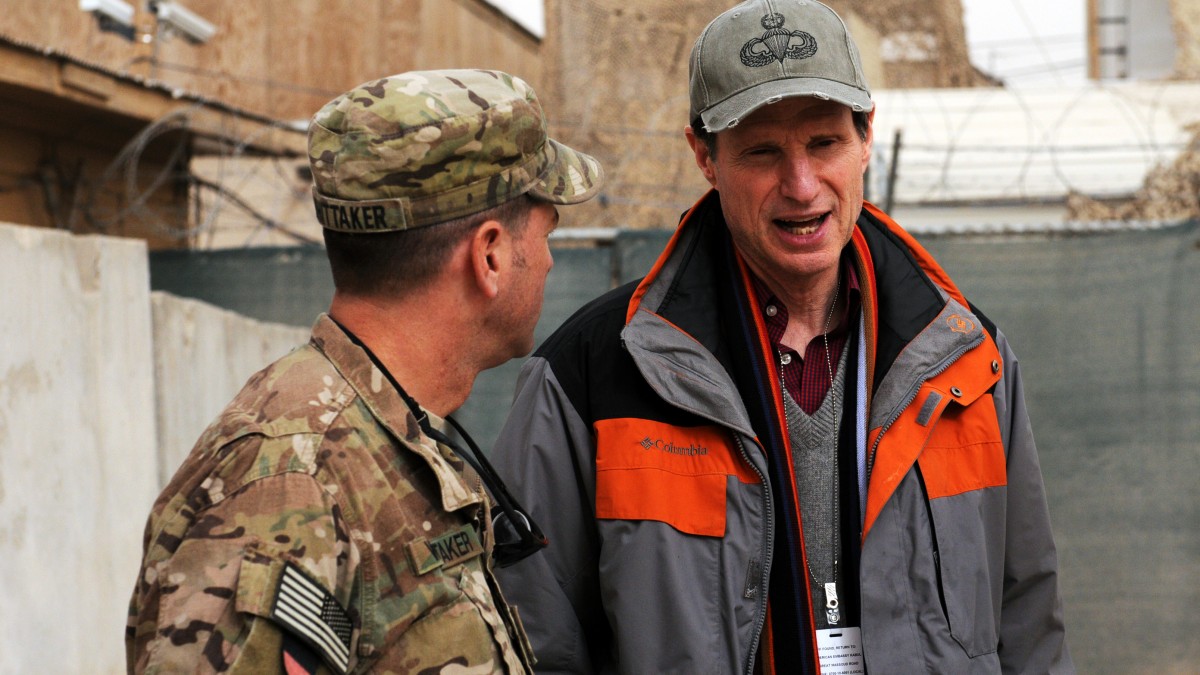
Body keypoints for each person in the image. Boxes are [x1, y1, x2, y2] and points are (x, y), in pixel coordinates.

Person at [490, 1, 1073, 673]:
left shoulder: (969, 360)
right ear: (704, 156)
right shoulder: (591, 375)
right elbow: (534, 639)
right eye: (763, 152)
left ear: (865, 140)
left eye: (824, 144)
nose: (801, 187)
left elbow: (1029, 619)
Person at [125, 69, 603, 674]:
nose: (551, 261)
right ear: (490, 255)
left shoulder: (389, 438)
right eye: (546, 234)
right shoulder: (289, 483)